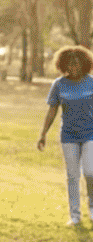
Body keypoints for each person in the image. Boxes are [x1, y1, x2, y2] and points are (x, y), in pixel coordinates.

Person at [38, 45, 93, 226]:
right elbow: (52, 110)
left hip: (90, 134)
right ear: (63, 65)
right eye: (69, 64)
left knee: (90, 171)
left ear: (84, 64)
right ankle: (75, 215)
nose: (73, 67)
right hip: (69, 135)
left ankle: (92, 208)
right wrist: (43, 133)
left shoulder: (91, 82)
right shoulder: (59, 84)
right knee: (72, 176)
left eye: (76, 64)